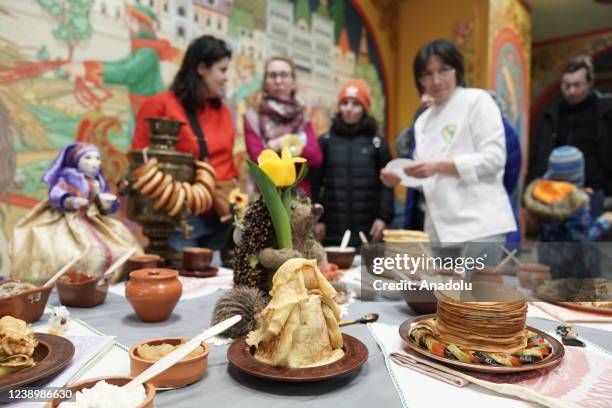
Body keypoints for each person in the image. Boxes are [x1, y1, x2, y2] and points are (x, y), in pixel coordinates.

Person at [380, 39, 516, 264]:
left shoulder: (477, 101)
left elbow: (494, 158)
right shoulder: (423, 121)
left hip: (480, 226)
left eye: (443, 70)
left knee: (476, 296)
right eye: (427, 74)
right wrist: (399, 177)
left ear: (456, 70)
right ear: (419, 80)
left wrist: (439, 165)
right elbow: (427, 175)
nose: (436, 81)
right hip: (440, 230)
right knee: (445, 297)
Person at [131, 35, 237, 250]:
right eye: (222, 70)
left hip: (221, 216)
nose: (226, 78)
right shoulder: (160, 105)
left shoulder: (223, 111)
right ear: (201, 68)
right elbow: (140, 161)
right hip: (181, 218)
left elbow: (227, 160)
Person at [9, 143, 142, 285]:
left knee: (122, 246)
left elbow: (104, 204)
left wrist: (105, 204)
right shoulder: (68, 177)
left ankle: (105, 281)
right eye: (88, 158)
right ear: (76, 160)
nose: (94, 163)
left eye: (97, 158)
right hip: (66, 220)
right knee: (64, 252)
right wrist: (71, 201)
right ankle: (67, 283)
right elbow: (56, 195)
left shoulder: (98, 181)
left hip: (92, 219)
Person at [526, 56, 612, 218]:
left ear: (590, 83)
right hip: (559, 195)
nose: (571, 91)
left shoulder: (606, 112)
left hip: (600, 193)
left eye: (577, 85)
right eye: (567, 86)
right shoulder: (552, 115)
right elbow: (539, 157)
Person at [311, 79, 394, 247]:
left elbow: (387, 185)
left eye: (355, 103)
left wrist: (383, 218)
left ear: (365, 108)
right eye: (344, 103)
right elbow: (315, 184)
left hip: (369, 231)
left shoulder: (377, 143)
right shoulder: (325, 142)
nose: (349, 108)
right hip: (331, 231)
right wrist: (317, 219)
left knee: (368, 273)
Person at [524, 146, 612, 279]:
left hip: (548, 262)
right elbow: (585, 238)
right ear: (579, 174)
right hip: (577, 269)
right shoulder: (577, 203)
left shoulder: (542, 196)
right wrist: (604, 222)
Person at [243, 56, 322, 197]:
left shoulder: (302, 115)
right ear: (265, 81)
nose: (278, 81)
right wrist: (295, 146)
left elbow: (316, 158)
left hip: (299, 197)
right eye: (272, 75)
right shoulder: (253, 116)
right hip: (267, 197)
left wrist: (279, 144)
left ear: (293, 81)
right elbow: (257, 161)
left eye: (284, 75)